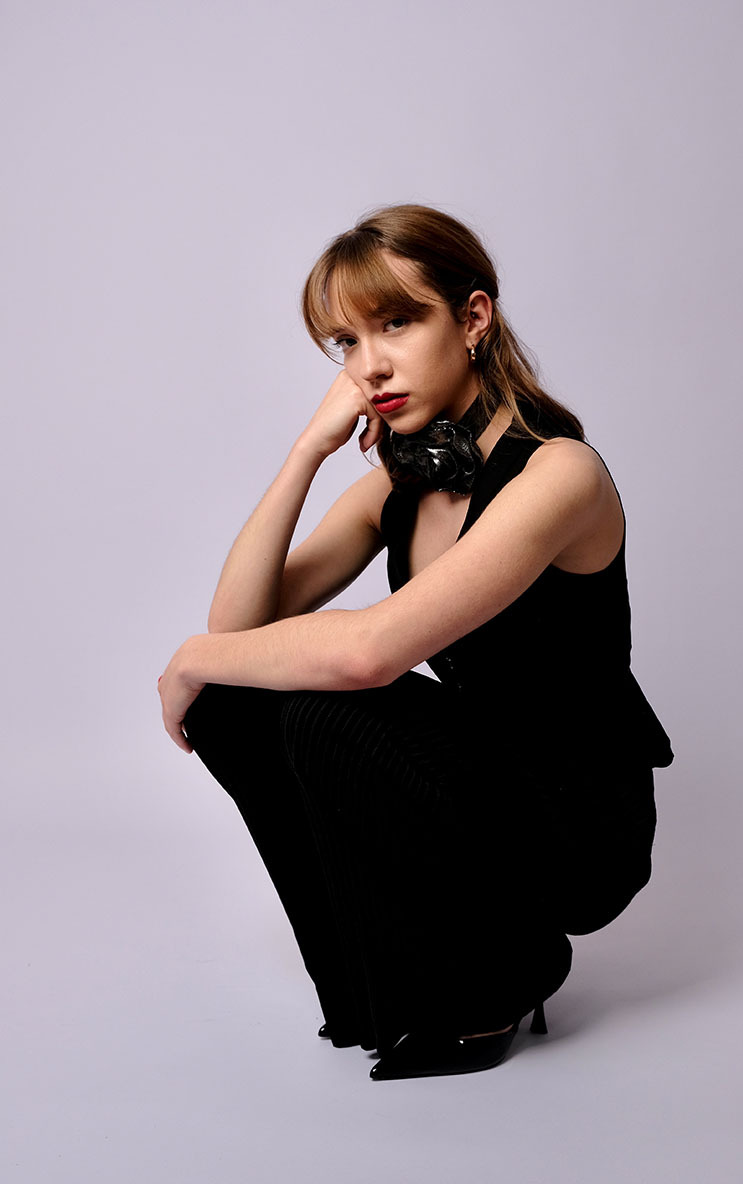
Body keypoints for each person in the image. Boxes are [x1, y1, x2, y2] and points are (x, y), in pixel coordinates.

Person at [157, 203, 674, 1081]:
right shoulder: (399, 485)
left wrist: (186, 659)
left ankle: (510, 973)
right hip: (480, 777)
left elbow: (369, 655)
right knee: (233, 705)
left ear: (472, 319)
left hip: (576, 818)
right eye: (346, 343)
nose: (370, 366)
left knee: (324, 702)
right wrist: (309, 449)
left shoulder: (561, 474)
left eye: (396, 323)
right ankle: (378, 984)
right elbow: (236, 631)